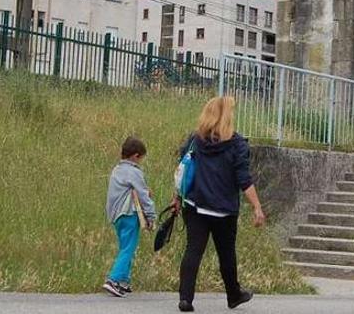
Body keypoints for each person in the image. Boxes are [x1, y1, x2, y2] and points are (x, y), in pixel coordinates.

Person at [174, 96, 265, 312]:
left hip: (195, 204)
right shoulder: (238, 144)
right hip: (224, 209)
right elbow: (244, 179)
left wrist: (177, 197)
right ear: (227, 116)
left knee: (193, 250)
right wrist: (257, 207)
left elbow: (183, 169)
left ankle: (185, 298)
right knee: (226, 253)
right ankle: (233, 295)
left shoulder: (195, 140)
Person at [103, 136, 156, 297]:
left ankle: (123, 281)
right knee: (128, 248)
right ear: (135, 156)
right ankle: (113, 279)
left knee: (125, 246)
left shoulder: (116, 170)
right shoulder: (134, 171)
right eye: (141, 158)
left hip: (116, 215)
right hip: (129, 214)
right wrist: (151, 214)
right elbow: (142, 195)